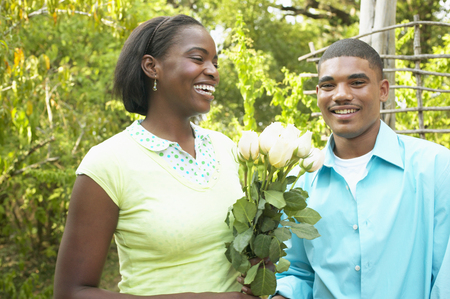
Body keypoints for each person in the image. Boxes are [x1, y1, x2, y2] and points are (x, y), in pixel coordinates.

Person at [54, 14, 255, 299]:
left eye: (215, 63)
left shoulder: (226, 148)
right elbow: (71, 293)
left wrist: (258, 264)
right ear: (152, 67)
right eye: (198, 59)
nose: (212, 71)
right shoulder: (109, 163)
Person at [269, 39, 450, 298]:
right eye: (329, 85)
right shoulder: (301, 182)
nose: (341, 94)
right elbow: (298, 273)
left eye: (357, 82)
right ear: (318, 93)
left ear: (383, 90)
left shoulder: (436, 168)